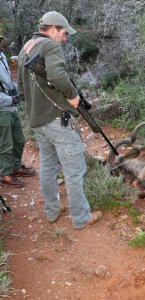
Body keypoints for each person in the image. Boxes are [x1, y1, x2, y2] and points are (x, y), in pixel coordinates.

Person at [17, 11, 102, 229]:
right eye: (64, 33)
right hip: (58, 120)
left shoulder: (26, 47)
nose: (65, 38)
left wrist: (36, 109)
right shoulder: (50, 46)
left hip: (38, 122)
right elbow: (56, 75)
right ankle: (81, 218)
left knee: (48, 166)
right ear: (54, 28)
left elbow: (21, 90)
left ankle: (52, 211)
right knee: (74, 169)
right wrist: (73, 96)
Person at [0, 35, 36, 188]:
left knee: (19, 139)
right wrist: (8, 100)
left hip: (11, 106)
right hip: (2, 109)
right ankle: (5, 174)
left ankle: (15, 165)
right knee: (5, 144)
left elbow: (7, 80)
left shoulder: (1, 56)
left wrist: (16, 91)